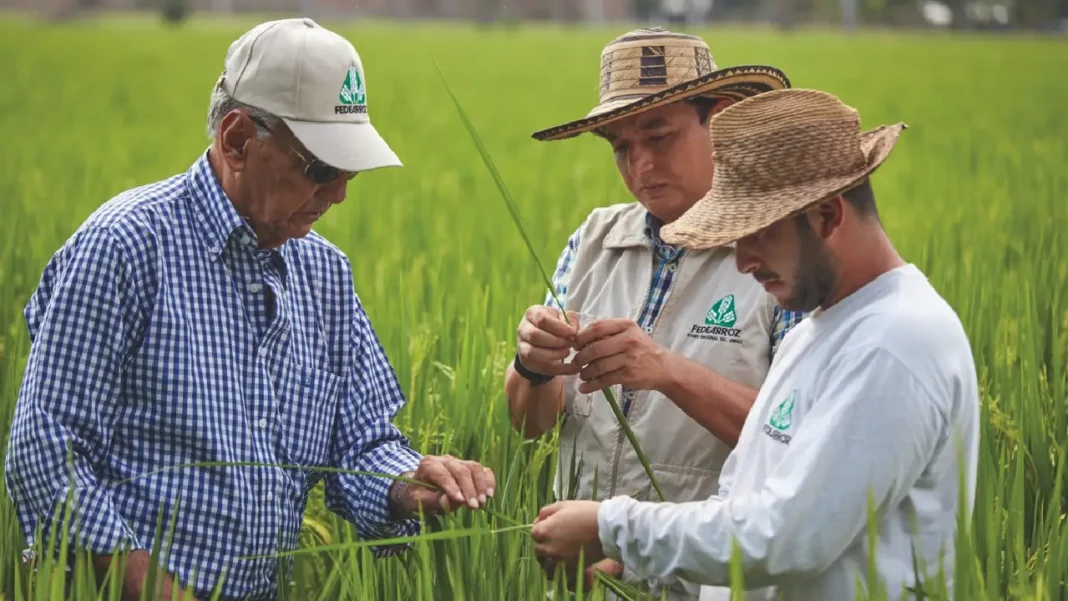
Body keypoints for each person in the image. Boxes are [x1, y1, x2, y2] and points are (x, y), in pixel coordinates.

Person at [4, 18, 494, 601]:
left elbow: (361, 443)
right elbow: (44, 453)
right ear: (237, 140)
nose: (339, 193)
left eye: (351, 171)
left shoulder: (324, 275)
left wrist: (408, 483)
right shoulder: (126, 247)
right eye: (321, 168)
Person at [527, 88, 981, 601]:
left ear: (828, 216)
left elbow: (788, 538)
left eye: (759, 233)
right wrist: (630, 567)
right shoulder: (818, 331)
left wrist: (613, 527)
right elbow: (744, 501)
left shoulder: (894, 343)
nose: (742, 262)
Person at [504, 27, 803, 600]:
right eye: (620, 147)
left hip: (713, 582)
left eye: (659, 137)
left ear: (719, 120)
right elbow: (528, 424)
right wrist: (532, 366)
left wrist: (667, 371)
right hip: (584, 577)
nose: (640, 165)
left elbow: (799, 440)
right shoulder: (593, 240)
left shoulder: (777, 250)